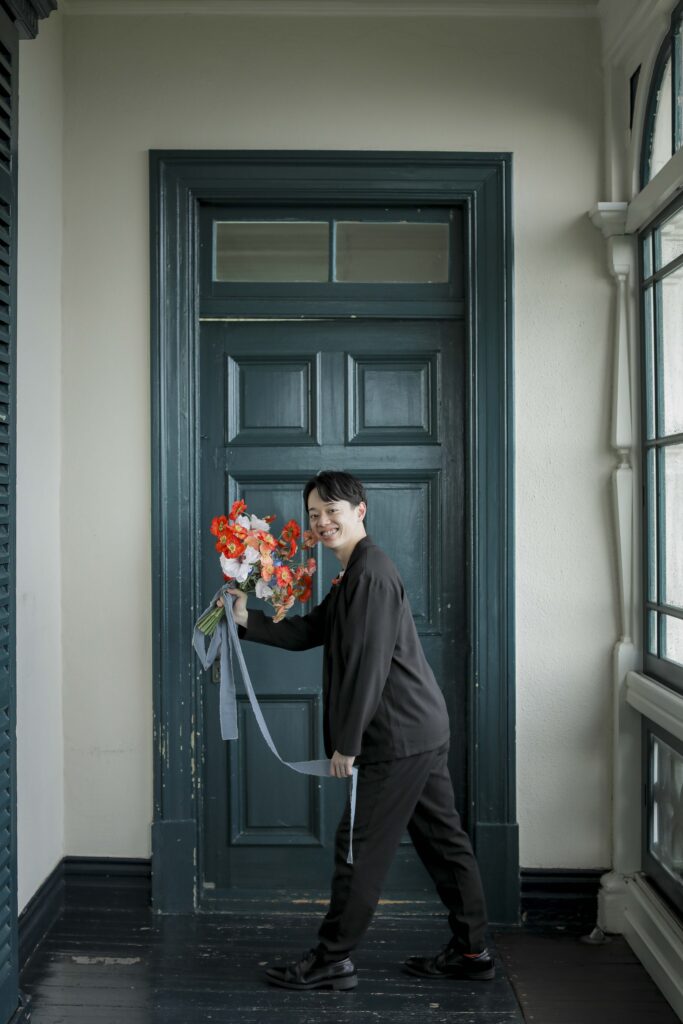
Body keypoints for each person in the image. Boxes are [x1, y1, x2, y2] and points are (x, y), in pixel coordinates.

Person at [224, 470, 492, 992]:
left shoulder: (370, 572)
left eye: (332, 510)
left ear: (359, 511)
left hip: (398, 735)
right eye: (314, 514)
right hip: (419, 729)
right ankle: (472, 951)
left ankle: (331, 959)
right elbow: (311, 629)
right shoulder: (356, 572)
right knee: (445, 844)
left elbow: (370, 666)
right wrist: (243, 618)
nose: (322, 521)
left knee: (358, 847)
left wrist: (347, 744)